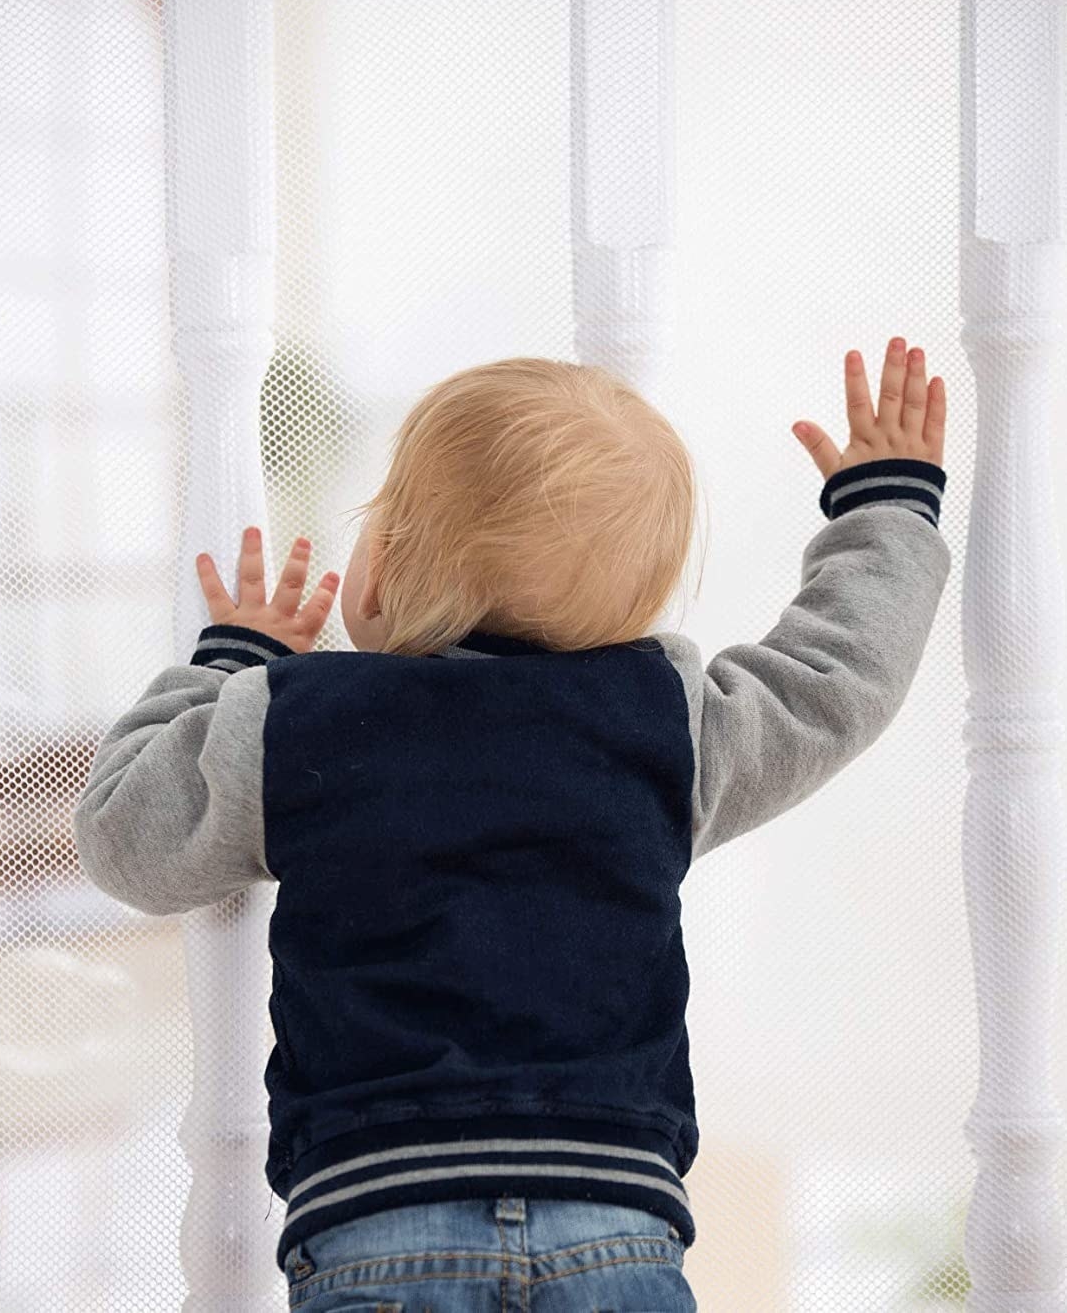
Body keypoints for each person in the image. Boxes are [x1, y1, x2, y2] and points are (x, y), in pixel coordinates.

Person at [73, 337, 949, 1312]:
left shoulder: (298, 717)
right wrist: (888, 506)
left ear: (386, 563)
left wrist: (231, 659)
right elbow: (833, 681)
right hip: (613, 1225)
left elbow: (126, 835)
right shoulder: (661, 723)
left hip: (378, 1220)